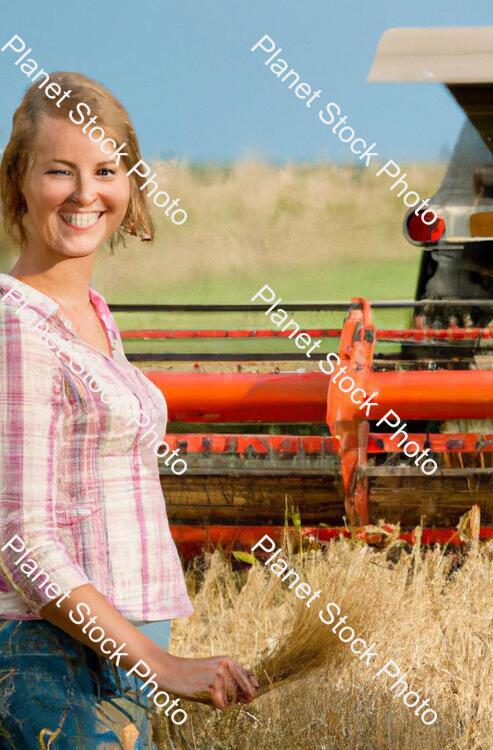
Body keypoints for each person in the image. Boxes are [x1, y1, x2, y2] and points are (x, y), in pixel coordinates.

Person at [0, 72, 258, 749]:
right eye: (61, 170)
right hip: (46, 656)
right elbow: (20, 541)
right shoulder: (16, 326)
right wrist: (162, 665)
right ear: (20, 182)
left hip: (112, 647)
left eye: (106, 169)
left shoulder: (94, 317)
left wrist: (149, 654)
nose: (87, 194)